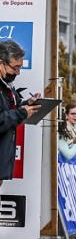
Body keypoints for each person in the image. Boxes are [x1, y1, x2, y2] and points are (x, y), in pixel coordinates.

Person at [0, 40, 40, 186]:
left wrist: (28, 104)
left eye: (20, 68)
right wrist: (22, 113)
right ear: (1, 63)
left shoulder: (7, 85)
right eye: (15, 67)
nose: (18, 72)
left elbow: (12, 109)